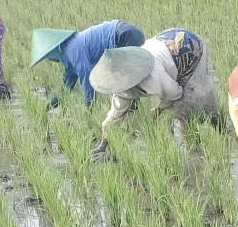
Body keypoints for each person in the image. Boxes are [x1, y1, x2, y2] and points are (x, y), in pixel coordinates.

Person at [88, 28, 219, 160]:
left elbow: (175, 93)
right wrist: (103, 143)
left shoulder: (152, 76)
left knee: (184, 110)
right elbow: (114, 114)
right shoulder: (120, 86)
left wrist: (158, 109)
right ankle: (204, 140)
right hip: (165, 45)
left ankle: (198, 146)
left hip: (187, 48)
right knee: (184, 106)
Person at [31, 21, 145, 106]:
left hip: (124, 35)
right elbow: (66, 86)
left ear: (53, 52)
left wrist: (89, 105)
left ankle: (134, 112)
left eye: (48, 57)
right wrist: (52, 104)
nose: (50, 60)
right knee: (123, 81)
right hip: (124, 33)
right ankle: (132, 111)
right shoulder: (68, 57)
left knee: (124, 80)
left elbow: (87, 79)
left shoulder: (73, 49)